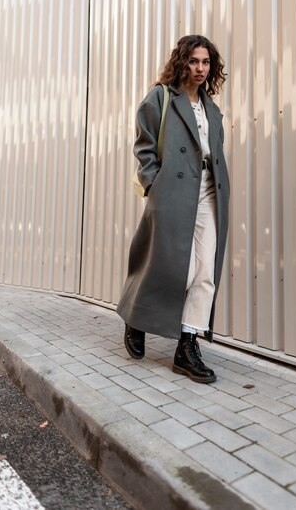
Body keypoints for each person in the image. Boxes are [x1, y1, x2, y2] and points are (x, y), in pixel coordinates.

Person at [117, 35, 229, 383]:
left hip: (209, 193)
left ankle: (187, 344)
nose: (200, 68)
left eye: (206, 62)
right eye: (194, 61)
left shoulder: (211, 107)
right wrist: (154, 184)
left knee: (204, 271)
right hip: (173, 193)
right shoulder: (162, 97)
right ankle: (137, 318)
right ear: (182, 62)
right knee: (161, 265)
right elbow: (144, 146)